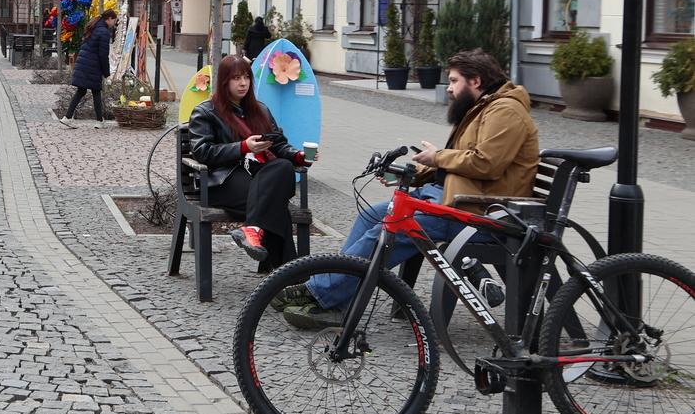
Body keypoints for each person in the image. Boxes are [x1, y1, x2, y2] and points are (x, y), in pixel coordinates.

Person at [282, 48, 540, 329]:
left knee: (395, 226)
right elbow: (460, 160)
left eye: (454, 81)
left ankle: (319, 292)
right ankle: (338, 301)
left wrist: (437, 157)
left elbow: (486, 163)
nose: (450, 89)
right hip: (454, 199)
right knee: (372, 215)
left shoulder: (505, 111)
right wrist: (411, 173)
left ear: (475, 81)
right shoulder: (485, 107)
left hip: (478, 212)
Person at [186, 53, 308, 271]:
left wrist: (299, 156)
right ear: (224, 82)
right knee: (276, 205)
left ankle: (252, 230)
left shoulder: (260, 109)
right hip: (223, 180)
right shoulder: (205, 112)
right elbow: (203, 152)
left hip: (259, 178)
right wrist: (243, 147)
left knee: (284, 166)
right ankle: (291, 278)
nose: (242, 83)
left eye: (246, 77)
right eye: (235, 78)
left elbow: (278, 144)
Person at [58, 8, 118, 129]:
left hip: (85, 63)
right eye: (114, 20)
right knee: (95, 91)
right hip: (92, 66)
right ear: (109, 19)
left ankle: (68, 117)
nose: (114, 23)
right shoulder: (104, 32)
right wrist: (107, 73)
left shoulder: (94, 26)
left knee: (82, 91)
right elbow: (103, 55)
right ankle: (98, 121)